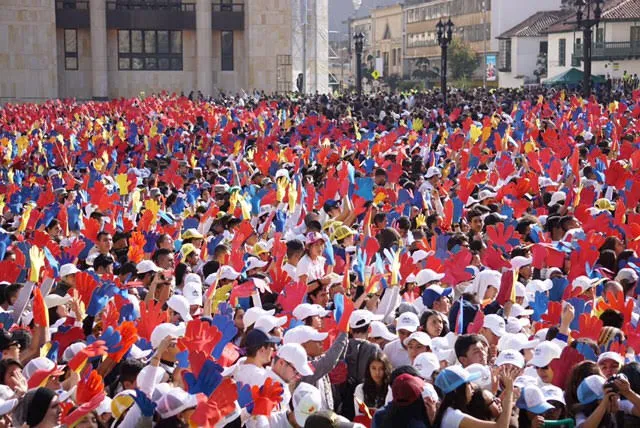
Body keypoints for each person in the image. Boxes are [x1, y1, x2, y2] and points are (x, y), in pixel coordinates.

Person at [433, 365, 518, 427]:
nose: (473, 387)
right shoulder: (453, 416)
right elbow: (501, 427)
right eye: (468, 383)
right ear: (458, 390)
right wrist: (509, 391)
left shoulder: (450, 413)